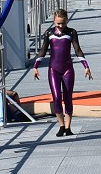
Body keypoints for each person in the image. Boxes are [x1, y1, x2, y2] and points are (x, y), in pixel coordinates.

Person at [33, 8, 92, 137]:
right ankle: (60, 125)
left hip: (67, 69)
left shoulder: (71, 32)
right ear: (54, 21)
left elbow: (78, 50)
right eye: (58, 23)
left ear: (67, 21)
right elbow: (43, 50)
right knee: (57, 98)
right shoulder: (49, 33)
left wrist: (86, 66)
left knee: (68, 97)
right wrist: (35, 66)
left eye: (63, 23)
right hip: (53, 69)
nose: (61, 26)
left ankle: (68, 127)